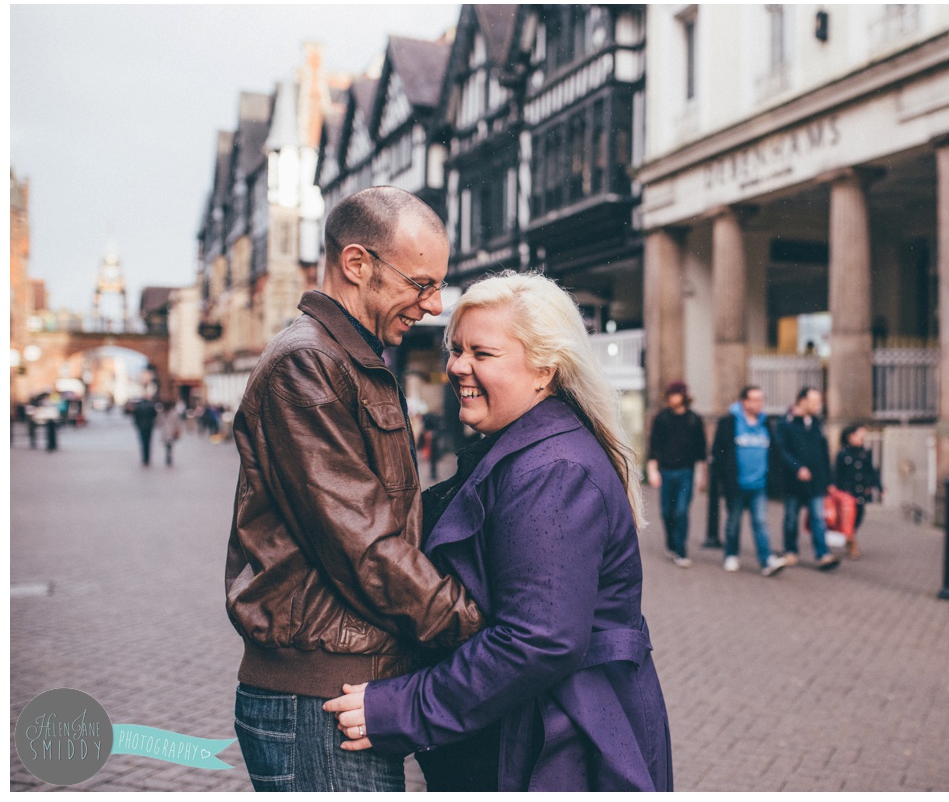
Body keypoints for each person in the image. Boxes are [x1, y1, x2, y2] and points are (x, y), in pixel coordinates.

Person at [323, 271, 672, 791]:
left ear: (544, 370)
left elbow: (539, 640)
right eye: (456, 349)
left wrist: (401, 709)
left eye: (481, 354)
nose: (457, 366)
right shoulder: (526, 449)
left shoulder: (554, 470)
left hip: (554, 750)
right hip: (528, 732)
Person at [224, 187, 483, 792]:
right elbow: (363, 545)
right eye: (421, 283)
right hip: (319, 701)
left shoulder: (351, 360)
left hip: (344, 689)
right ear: (357, 263)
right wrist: (479, 632)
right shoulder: (307, 364)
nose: (435, 303)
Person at [712, 386, 788, 577]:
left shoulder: (766, 424)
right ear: (744, 402)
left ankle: (766, 560)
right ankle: (731, 554)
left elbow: (774, 452)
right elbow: (719, 453)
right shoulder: (729, 423)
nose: (759, 403)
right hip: (736, 485)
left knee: (761, 523)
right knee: (733, 522)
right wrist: (725, 479)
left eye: (761, 399)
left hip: (759, 485)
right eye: (754, 399)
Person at [773, 387, 840, 570]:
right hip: (793, 482)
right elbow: (781, 450)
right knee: (791, 517)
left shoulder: (817, 423)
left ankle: (822, 554)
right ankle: (790, 551)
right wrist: (797, 468)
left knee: (818, 517)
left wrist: (829, 481)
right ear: (802, 401)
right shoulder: (785, 423)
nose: (819, 406)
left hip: (816, 481)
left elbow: (824, 453)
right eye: (815, 401)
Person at [646, 381, 708, 568]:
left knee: (681, 511)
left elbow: (702, 451)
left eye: (676, 394)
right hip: (666, 471)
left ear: (683, 396)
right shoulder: (662, 418)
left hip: (686, 472)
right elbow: (654, 446)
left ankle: (681, 551)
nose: (673, 398)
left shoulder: (694, 419)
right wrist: (652, 470)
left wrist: (702, 476)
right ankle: (671, 543)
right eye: (670, 395)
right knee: (666, 512)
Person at [834, 423, 883, 560]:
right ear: (851, 436)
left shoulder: (865, 452)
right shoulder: (843, 453)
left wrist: (879, 487)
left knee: (859, 515)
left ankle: (849, 536)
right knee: (849, 517)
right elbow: (837, 473)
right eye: (860, 434)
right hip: (847, 492)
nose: (863, 437)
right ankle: (852, 543)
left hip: (861, 491)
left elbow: (872, 471)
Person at [131, 388, 158, 466]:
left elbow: (135, 417)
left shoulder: (139, 406)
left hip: (141, 427)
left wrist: (138, 424)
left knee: (143, 442)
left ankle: (144, 458)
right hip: (149, 426)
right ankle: (147, 458)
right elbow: (154, 416)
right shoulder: (151, 406)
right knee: (148, 443)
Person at [156, 396, 183, 466]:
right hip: (165, 432)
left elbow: (178, 423)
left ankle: (169, 457)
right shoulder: (161, 413)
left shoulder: (174, 413)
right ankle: (168, 457)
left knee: (169, 445)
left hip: (171, 431)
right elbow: (158, 423)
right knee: (167, 445)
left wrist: (178, 430)